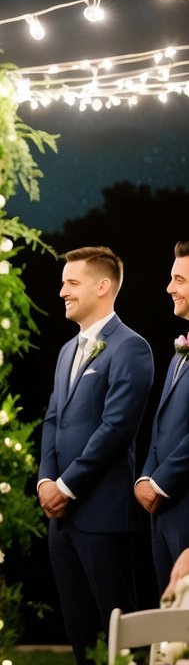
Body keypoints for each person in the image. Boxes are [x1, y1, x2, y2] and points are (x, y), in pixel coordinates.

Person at [38, 246, 154, 665]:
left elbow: (116, 429)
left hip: (103, 515)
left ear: (102, 286)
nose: (62, 290)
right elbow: (53, 419)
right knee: (80, 631)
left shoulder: (131, 348)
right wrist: (46, 479)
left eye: (72, 282)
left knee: (117, 634)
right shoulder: (69, 350)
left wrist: (66, 487)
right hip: (62, 519)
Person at [136, 241, 189, 593]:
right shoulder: (178, 353)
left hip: (184, 504)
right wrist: (145, 477)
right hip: (163, 513)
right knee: (170, 628)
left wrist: (160, 483)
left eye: (180, 279)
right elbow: (161, 425)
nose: (170, 288)